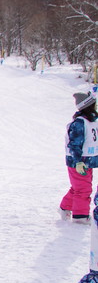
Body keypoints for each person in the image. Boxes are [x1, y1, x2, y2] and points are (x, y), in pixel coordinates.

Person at [61, 91, 98, 224]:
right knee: (83, 189)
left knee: (79, 187)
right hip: (78, 162)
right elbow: (74, 144)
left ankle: (65, 207)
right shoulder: (79, 123)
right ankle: (80, 216)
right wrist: (77, 162)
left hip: (88, 161)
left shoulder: (92, 121)